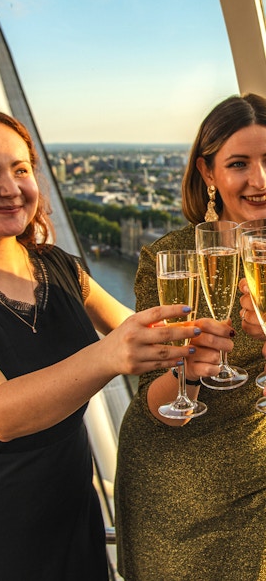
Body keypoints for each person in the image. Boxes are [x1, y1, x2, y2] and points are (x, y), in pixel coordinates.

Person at [0, 108, 232, 581]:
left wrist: (195, 348)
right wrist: (106, 356)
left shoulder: (59, 268)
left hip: (67, 509)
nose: (10, 187)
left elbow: (139, 332)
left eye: (21, 170)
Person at [114, 93, 266, 581]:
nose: (259, 180)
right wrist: (189, 368)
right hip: (177, 492)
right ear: (208, 173)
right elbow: (158, 408)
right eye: (239, 163)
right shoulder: (172, 259)